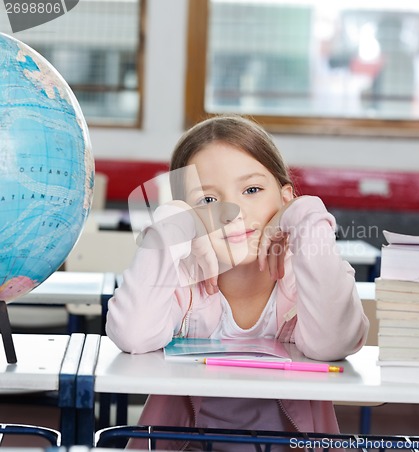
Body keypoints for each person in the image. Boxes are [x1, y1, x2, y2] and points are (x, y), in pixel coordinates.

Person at [106, 115, 369, 450]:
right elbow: (132, 333)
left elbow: (333, 343)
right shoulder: (182, 280)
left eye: (252, 190)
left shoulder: (312, 277)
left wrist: (305, 215)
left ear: (285, 198)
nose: (234, 212)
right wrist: (169, 225)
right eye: (208, 201)